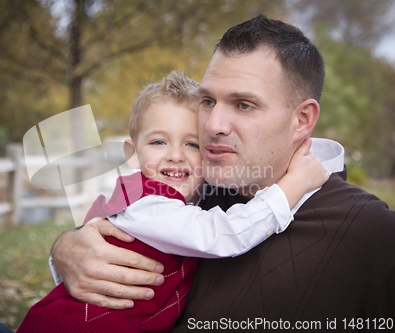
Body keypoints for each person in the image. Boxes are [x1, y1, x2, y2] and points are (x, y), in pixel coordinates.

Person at [51, 15, 395, 331]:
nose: (212, 126)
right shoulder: (193, 187)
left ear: (302, 119)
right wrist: (64, 251)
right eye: (207, 101)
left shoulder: (369, 230)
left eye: (243, 105)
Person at [17, 71, 328, 333]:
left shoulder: (176, 202)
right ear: (132, 154)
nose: (175, 154)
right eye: (158, 141)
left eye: (192, 143)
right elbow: (224, 235)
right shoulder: (146, 202)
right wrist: (294, 185)